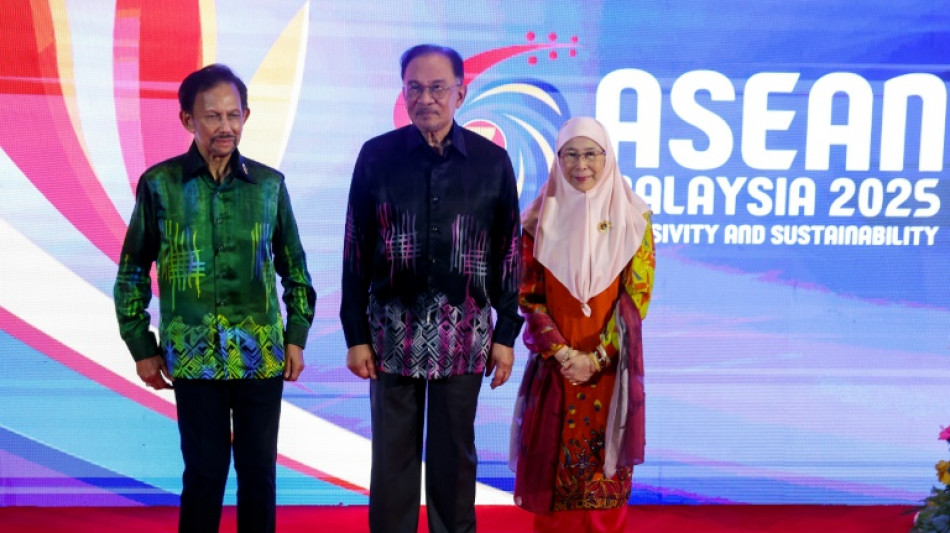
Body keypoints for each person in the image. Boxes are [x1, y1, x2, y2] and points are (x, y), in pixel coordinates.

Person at [114, 64, 316, 533]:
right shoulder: (160, 184)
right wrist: (142, 347)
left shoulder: (269, 186)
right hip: (193, 355)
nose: (225, 126)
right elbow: (131, 272)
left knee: (259, 474)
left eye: (233, 115)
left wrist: (297, 335)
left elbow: (296, 271)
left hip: (261, 354)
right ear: (188, 119)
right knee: (204, 474)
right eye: (212, 116)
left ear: (246, 116)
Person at [340, 44, 524, 533]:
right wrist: (355, 334)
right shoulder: (377, 156)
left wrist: (506, 334)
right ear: (403, 93)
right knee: (392, 460)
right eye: (415, 88)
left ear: (460, 93)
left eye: (438, 88)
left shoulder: (491, 161)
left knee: (454, 458)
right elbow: (356, 247)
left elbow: (508, 252)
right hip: (390, 334)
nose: (426, 98)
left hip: (464, 334)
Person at [509, 117, 655, 533]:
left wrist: (597, 358)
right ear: (558, 160)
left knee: (604, 481)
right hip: (556, 368)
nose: (581, 165)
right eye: (570, 154)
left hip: (609, 370)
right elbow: (528, 295)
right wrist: (564, 354)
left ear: (607, 159)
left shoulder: (636, 219)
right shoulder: (537, 220)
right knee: (553, 479)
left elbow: (636, 298)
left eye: (591, 154)